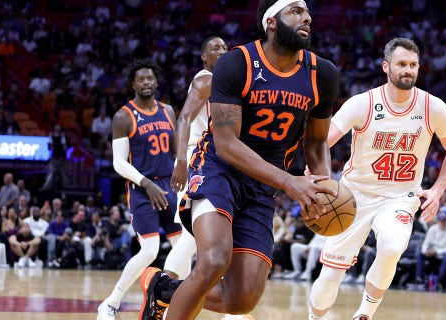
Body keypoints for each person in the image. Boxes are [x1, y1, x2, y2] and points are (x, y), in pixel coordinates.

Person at [140, 1, 340, 319]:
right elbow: (227, 143)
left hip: (263, 186)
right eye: (296, 11)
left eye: (307, 11)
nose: (307, 17)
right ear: (271, 22)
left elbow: (315, 142)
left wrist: (322, 186)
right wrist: (290, 181)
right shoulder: (238, 63)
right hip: (219, 168)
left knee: (242, 299)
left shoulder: (322, 74)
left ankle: (166, 290)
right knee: (214, 260)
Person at [309, 37, 446, 320]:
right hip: (353, 196)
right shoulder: (362, 104)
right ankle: (315, 318)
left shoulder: (433, 107)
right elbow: (321, 140)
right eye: (402, 64)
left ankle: (364, 314)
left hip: (400, 196)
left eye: (413, 65)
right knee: (331, 274)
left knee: (392, 247)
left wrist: (438, 190)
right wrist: (311, 172)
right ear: (386, 66)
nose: (408, 70)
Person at [97, 59, 183, 320]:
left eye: (150, 78)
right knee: (149, 250)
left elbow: (176, 151)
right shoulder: (123, 116)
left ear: (156, 82)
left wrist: (183, 173)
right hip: (142, 189)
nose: (146, 82)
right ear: (133, 84)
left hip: (169, 185)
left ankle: (171, 305)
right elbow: (119, 162)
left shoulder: (167, 110)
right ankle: (111, 302)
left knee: (182, 247)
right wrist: (147, 184)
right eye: (141, 79)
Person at [162, 35, 228, 281]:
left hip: (212, 158)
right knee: (192, 235)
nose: (221, 51)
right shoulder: (205, 78)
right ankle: (160, 294)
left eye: (224, 47)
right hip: (196, 158)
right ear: (204, 57)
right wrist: (181, 161)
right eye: (214, 48)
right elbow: (184, 119)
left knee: (198, 235)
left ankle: (172, 304)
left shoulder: (222, 82)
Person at [414, 208, 446, 290]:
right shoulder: (433, 229)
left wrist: (436, 252)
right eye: (440, 220)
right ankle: (419, 279)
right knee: (420, 253)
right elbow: (426, 242)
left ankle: (439, 281)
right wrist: (426, 251)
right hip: (436, 254)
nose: (442, 222)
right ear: (438, 220)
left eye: (444, 220)